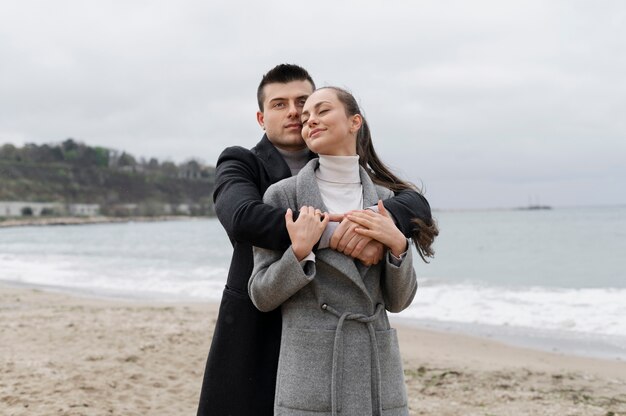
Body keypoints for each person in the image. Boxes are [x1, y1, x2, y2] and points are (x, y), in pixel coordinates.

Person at [196, 65, 436, 416]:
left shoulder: (340, 159)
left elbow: (414, 202)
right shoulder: (243, 162)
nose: (296, 113)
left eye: (304, 102)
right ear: (262, 119)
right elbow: (241, 218)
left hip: (353, 342)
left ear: (353, 122)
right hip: (257, 325)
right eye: (280, 104)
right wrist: (333, 233)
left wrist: (384, 234)